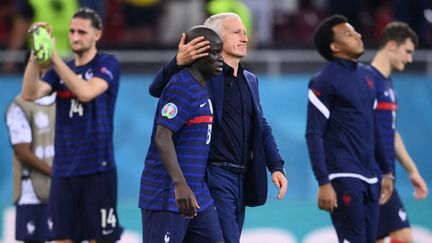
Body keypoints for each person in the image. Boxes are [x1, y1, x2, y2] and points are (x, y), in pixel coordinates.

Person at [149, 12, 288, 243]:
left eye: (245, 32)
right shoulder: (204, 75)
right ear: (215, 39)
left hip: (242, 177)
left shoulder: (250, 79)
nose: (245, 37)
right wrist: (177, 62)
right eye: (236, 32)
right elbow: (156, 89)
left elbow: (261, 124)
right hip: (214, 175)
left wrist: (276, 165)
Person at [21, 8, 123, 242]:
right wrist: (36, 57)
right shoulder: (61, 70)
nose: (75, 37)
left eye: (82, 32)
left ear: (97, 35)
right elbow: (29, 94)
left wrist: (54, 58)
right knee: (62, 238)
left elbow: (86, 93)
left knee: (100, 238)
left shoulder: (107, 64)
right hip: (64, 170)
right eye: (71, 31)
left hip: (98, 168)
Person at [305, 15, 395, 243]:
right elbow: (314, 133)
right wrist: (323, 181)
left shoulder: (368, 77)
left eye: (355, 31)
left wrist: (387, 170)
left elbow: (374, 127)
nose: (358, 36)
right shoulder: (323, 81)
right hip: (343, 175)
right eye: (349, 34)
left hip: (371, 175)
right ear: (335, 46)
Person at [139, 25, 224, 243]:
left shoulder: (202, 86)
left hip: (197, 193)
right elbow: (162, 136)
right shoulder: (181, 88)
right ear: (197, 55)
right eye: (215, 52)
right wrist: (180, 184)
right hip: (168, 194)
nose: (220, 58)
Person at [367, 21, 429, 243]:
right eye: (408, 51)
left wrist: (412, 171)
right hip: (370, 175)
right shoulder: (367, 81)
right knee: (403, 236)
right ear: (392, 45)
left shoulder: (387, 84)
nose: (410, 59)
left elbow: (390, 132)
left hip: (383, 176)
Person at [5, 88, 55, 242]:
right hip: (32, 193)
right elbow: (22, 151)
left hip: (62, 191)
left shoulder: (64, 101)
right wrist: (55, 173)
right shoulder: (19, 105)